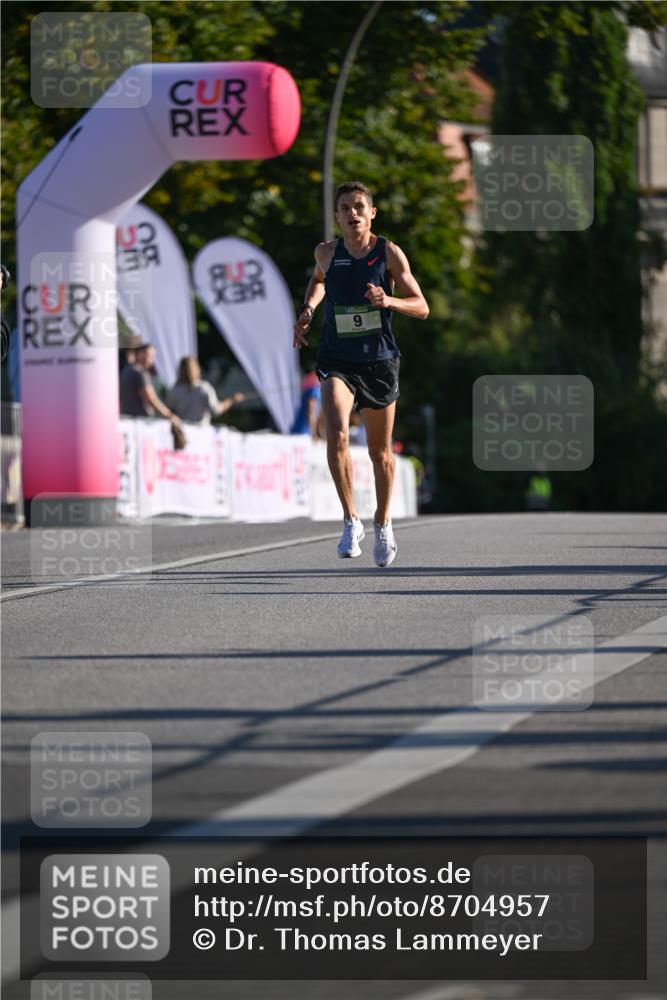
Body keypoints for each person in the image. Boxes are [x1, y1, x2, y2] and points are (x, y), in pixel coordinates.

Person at [293, 180, 429, 567]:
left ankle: (382, 522)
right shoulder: (326, 252)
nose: (352, 213)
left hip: (379, 360)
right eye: (345, 208)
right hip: (337, 357)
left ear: (372, 213)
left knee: (379, 453)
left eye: (358, 207)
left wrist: (389, 300)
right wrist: (308, 310)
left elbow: (422, 306)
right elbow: (318, 281)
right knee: (336, 431)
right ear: (337, 216)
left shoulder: (389, 253)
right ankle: (351, 519)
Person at [119, 342, 182, 430]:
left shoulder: (125, 371)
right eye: (151, 356)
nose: (152, 361)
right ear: (141, 354)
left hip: (126, 421)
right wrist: (170, 415)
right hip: (141, 423)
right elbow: (151, 398)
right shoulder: (141, 373)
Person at [167, 356, 245, 425]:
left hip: (184, 429)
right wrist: (232, 400)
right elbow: (216, 410)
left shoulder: (175, 390)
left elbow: (170, 411)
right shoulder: (204, 388)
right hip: (202, 431)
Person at [290, 370, 323, 438]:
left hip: (300, 431)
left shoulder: (314, 384)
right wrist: (314, 433)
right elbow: (311, 412)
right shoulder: (314, 386)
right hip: (303, 433)